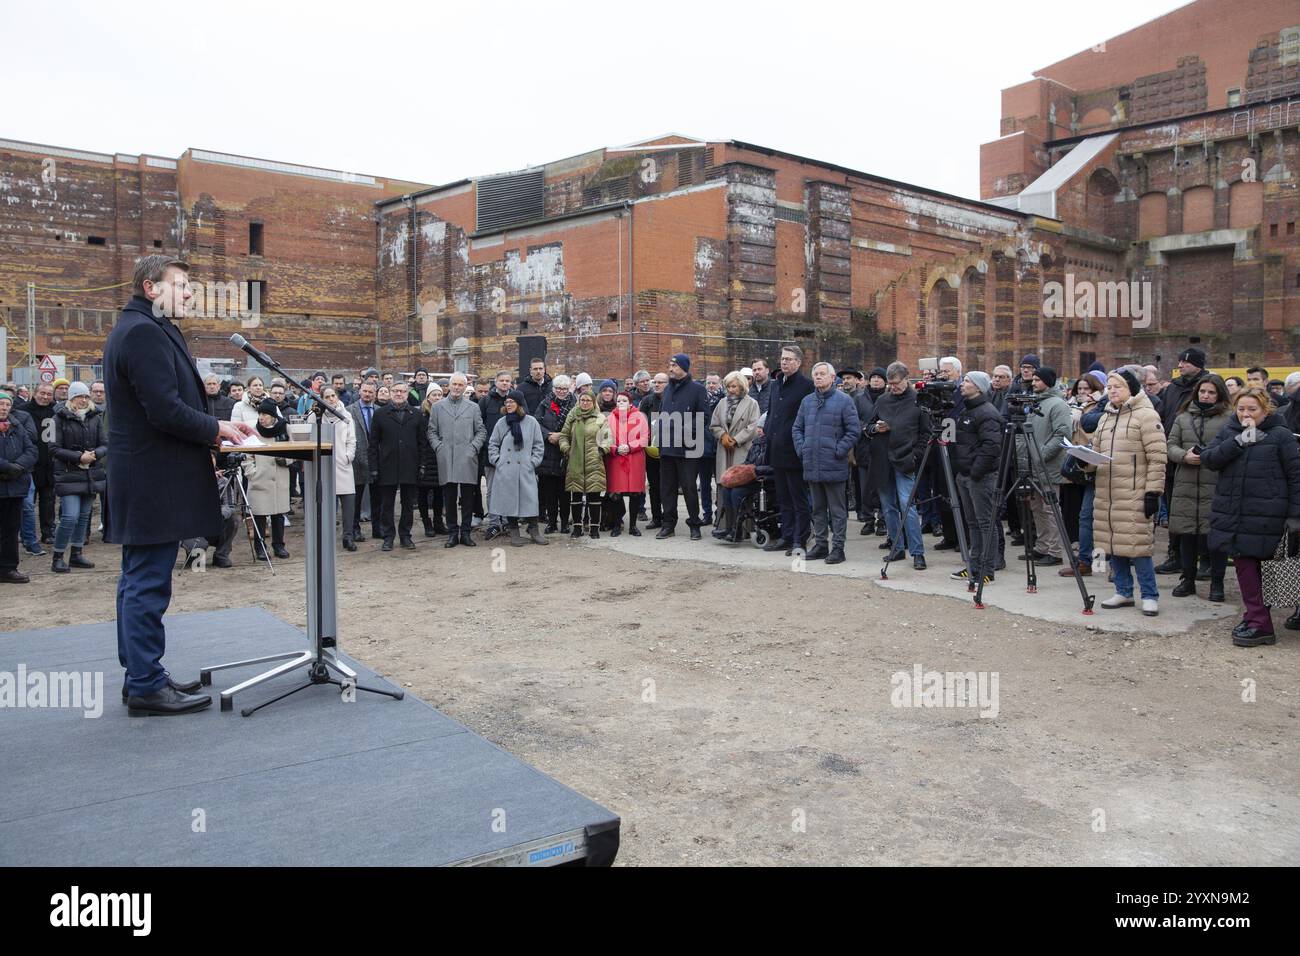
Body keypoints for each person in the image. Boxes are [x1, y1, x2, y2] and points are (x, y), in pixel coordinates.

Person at [104, 254, 255, 714]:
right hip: (153, 479)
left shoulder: (148, 328)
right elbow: (164, 410)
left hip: (154, 474)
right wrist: (217, 430)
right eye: (182, 285)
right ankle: (146, 683)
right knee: (147, 581)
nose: (190, 293)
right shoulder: (143, 332)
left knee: (141, 578)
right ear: (151, 288)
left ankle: (143, 675)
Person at [1203, 386, 1300, 645]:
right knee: (1245, 566)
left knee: (1267, 568)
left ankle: (1260, 621)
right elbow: (1210, 459)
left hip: (1269, 513)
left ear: (1265, 410)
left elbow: (1295, 476)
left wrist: (1295, 514)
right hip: (1235, 513)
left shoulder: (1281, 435)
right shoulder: (1230, 431)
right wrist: (1238, 442)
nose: (1246, 413)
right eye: (1241, 408)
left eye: (1252, 409)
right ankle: (1258, 620)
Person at [1089, 369, 1167, 617]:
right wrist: (1082, 460)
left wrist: (1153, 492)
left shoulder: (1146, 416)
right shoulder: (1105, 418)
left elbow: (1157, 458)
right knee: (1112, 542)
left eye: (1117, 387)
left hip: (1133, 492)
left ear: (1131, 388)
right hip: (1107, 492)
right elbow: (1097, 451)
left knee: (1137, 544)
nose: (1111, 391)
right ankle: (1123, 591)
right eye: (1109, 387)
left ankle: (1149, 595)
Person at [1166, 374, 1231, 601]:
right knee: (1187, 537)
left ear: (1220, 394)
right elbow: (1170, 445)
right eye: (1203, 391)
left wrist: (1210, 456)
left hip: (1215, 484)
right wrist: (1184, 456)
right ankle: (1188, 580)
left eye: (1211, 392)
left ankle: (1217, 583)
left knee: (1215, 539)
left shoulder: (1229, 419)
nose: (1206, 395)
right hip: (1186, 484)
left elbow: (1233, 448)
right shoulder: (1183, 418)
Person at [792, 362, 860, 564]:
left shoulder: (844, 401)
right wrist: (802, 449)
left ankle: (838, 548)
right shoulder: (807, 401)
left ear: (832, 378)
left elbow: (854, 430)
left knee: (837, 511)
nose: (818, 377)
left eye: (822, 374)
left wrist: (838, 450)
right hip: (812, 463)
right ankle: (821, 545)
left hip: (834, 464)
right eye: (815, 374)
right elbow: (797, 428)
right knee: (817, 508)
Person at [865, 362, 930, 569]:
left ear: (906, 379)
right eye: (890, 384)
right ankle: (897, 547)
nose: (893, 387)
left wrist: (915, 457)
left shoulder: (919, 400)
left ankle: (917, 552)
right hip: (883, 460)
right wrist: (876, 428)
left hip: (906, 460)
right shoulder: (883, 400)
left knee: (907, 506)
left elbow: (926, 433)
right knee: (888, 506)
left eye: (897, 383)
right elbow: (867, 427)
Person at [1156, 348, 1212, 575]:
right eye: (1179, 361)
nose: (1180, 365)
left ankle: (1205, 559)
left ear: (1198, 364)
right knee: (1175, 511)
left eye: (1185, 362)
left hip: (1200, 462)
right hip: (1173, 458)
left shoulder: (1208, 385)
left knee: (1202, 513)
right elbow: (1162, 415)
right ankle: (1175, 555)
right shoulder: (1173, 388)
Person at [1014, 366, 1072, 567]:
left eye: (1038, 380)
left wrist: (1040, 456)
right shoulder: (1034, 403)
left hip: (1049, 466)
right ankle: (1042, 546)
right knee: (1036, 507)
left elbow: (1062, 434)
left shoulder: (1058, 405)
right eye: (1034, 380)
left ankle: (1055, 551)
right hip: (1034, 465)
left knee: (1050, 509)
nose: (1034, 383)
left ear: (1048, 382)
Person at [950, 371, 1003, 585]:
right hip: (965, 475)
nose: (963, 384)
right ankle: (974, 565)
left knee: (985, 523)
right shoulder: (967, 409)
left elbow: (991, 446)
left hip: (980, 477)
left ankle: (987, 569)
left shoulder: (987, 412)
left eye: (968, 381)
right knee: (972, 522)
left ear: (979, 387)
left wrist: (975, 472)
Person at [48, 381, 107, 573]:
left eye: (85, 397)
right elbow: (53, 448)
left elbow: (105, 443)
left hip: (90, 473)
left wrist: (94, 454)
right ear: (72, 399)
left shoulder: (95, 417)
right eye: (79, 397)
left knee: (83, 516)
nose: (83, 400)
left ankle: (76, 553)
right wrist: (78, 457)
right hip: (68, 474)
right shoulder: (58, 419)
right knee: (69, 516)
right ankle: (57, 556)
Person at [762, 345, 815, 555]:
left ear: (799, 363)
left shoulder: (806, 386)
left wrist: (802, 445)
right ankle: (786, 535)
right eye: (783, 358)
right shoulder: (776, 385)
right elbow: (772, 412)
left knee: (798, 499)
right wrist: (767, 431)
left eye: (789, 359)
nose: (784, 362)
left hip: (794, 452)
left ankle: (799, 540)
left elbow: (807, 420)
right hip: (776, 450)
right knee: (782, 498)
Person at [427, 372, 486, 548]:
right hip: (446, 457)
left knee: (468, 497)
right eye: (455, 384)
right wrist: (439, 447)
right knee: (449, 497)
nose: (457, 388)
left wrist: (473, 447)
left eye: (461, 385)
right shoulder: (438, 407)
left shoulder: (473, 407)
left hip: (467, 458)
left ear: (465, 386)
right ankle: (453, 532)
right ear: (449, 386)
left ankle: (466, 532)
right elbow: (431, 431)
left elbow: (481, 431)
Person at [654, 354, 709, 540]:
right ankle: (668, 524)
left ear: (684, 368)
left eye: (674, 366)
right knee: (667, 489)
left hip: (688, 448)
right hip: (667, 447)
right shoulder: (668, 389)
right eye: (670, 365)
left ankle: (695, 524)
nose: (670, 369)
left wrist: (683, 428)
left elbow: (704, 418)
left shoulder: (698, 390)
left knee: (689, 488)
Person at [488, 389, 548, 546]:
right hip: (506, 470)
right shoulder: (501, 423)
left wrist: (533, 462)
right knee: (510, 501)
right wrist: (497, 460)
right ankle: (514, 531)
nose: (508, 405)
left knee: (530, 500)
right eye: (506, 402)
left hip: (526, 469)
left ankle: (534, 530)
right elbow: (492, 444)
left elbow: (538, 445)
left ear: (519, 404)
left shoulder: (531, 422)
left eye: (511, 402)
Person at [369, 381, 422, 551]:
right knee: (387, 504)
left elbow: (422, 443)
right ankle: (388, 536)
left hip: (410, 465)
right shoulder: (380, 414)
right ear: (390, 392)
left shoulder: (416, 414)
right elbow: (373, 443)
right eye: (396, 391)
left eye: (402, 391)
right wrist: (374, 467)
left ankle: (405, 536)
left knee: (407, 504)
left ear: (407, 393)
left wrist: (422, 465)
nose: (399, 394)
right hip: (387, 465)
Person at [709, 371, 761, 538]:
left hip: (741, 450)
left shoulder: (752, 403)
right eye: (728, 386)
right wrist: (723, 436)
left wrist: (736, 439)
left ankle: (742, 529)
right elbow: (714, 424)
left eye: (734, 386)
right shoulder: (722, 403)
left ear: (741, 386)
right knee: (724, 488)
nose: (730, 389)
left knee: (739, 488)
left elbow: (753, 426)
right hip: (724, 450)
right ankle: (725, 525)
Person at [243, 398, 292, 560]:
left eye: (265, 414)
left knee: (278, 515)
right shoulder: (252, 430)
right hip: (259, 480)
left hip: (280, 479)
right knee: (259, 516)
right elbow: (246, 456)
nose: (261, 417)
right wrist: (253, 474)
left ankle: (279, 546)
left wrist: (286, 460)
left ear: (273, 416)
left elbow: (296, 450)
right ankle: (260, 547)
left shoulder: (285, 428)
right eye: (260, 414)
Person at [559, 388, 611, 538]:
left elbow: (607, 436)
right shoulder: (573, 415)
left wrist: (602, 450)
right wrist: (567, 449)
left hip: (594, 461)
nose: (585, 403)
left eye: (588, 400)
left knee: (594, 497)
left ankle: (594, 529)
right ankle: (577, 528)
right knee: (575, 497)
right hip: (575, 461)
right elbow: (564, 435)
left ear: (593, 402)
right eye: (583, 400)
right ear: (579, 401)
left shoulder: (600, 417)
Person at [312, 386, 357, 552]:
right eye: (327, 397)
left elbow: (352, 439)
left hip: (343, 463)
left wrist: (348, 456)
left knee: (348, 503)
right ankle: (326, 537)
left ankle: (348, 536)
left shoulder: (346, 416)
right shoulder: (316, 417)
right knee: (326, 503)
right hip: (324, 464)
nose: (331, 399)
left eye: (333, 396)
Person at [0, 390, 37, 583]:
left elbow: (32, 450)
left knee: (11, 530)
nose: (4, 408)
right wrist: (7, 467)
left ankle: (8, 568)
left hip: (15, 487)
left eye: (7, 405)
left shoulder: (16, 426)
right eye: (1, 404)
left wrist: (19, 467)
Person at [16, 382, 56, 552]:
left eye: (48, 394)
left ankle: (48, 532)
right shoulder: (23, 411)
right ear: (34, 393)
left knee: (48, 501)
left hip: (49, 463)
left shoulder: (56, 410)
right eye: (42, 393)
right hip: (29, 464)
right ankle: (25, 535)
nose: (45, 397)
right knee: (27, 504)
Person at [604, 392, 650, 537]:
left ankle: (633, 526)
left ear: (630, 403)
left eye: (624, 400)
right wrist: (615, 448)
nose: (621, 403)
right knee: (616, 494)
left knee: (635, 494)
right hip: (616, 459)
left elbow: (645, 437)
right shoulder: (609, 418)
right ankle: (617, 525)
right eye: (618, 400)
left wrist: (630, 446)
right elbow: (605, 438)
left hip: (634, 458)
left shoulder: (640, 417)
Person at [537, 375, 575, 533]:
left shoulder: (575, 404)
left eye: (564, 389)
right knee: (550, 492)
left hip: (567, 452)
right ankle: (551, 523)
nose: (561, 391)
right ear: (554, 389)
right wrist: (548, 435)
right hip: (548, 452)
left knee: (565, 492)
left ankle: (565, 523)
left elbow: (578, 425)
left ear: (568, 390)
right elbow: (536, 422)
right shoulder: (545, 403)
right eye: (558, 388)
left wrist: (562, 436)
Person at [478, 370, 514, 541]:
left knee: (507, 488)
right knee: (492, 489)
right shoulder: (485, 401)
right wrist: (487, 448)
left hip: (510, 454)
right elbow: (480, 426)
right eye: (502, 380)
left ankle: (507, 521)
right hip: (490, 453)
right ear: (496, 382)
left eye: (508, 380)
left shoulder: (515, 400)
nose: (505, 383)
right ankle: (493, 522)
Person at [348, 381, 377, 541]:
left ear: (375, 394)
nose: (367, 394)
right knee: (356, 499)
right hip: (356, 461)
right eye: (365, 391)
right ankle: (354, 529)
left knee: (377, 497)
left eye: (371, 392)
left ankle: (378, 528)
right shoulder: (349, 411)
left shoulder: (380, 411)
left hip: (375, 461)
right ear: (360, 392)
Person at [416, 388, 446, 539]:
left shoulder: (444, 413)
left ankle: (438, 522)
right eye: (434, 394)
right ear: (428, 397)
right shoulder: (422, 415)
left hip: (440, 457)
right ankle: (427, 523)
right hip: (425, 458)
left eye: (440, 394)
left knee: (439, 493)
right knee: (423, 493)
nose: (437, 397)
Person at [639, 373, 667, 529]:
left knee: (668, 486)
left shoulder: (672, 400)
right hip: (651, 451)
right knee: (654, 485)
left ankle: (668, 518)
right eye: (654, 382)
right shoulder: (647, 401)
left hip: (669, 451)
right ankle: (656, 518)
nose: (656, 385)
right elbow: (640, 422)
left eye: (660, 382)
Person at [699, 373, 724, 525]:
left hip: (719, 448)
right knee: (704, 484)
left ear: (720, 384)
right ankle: (706, 513)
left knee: (720, 483)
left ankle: (719, 513)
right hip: (703, 449)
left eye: (714, 383)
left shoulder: (724, 401)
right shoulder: (701, 401)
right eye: (708, 383)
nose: (711, 386)